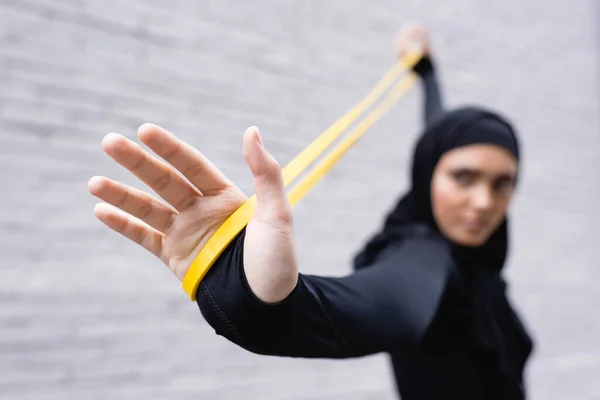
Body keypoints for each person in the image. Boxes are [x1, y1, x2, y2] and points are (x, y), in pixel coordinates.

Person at [88, 24, 534, 400]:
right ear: (426, 172)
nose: (484, 203)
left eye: (502, 184)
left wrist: (428, 74)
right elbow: (390, 305)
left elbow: (438, 126)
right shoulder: (424, 257)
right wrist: (261, 300)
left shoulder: (472, 247)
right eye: (463, 178)